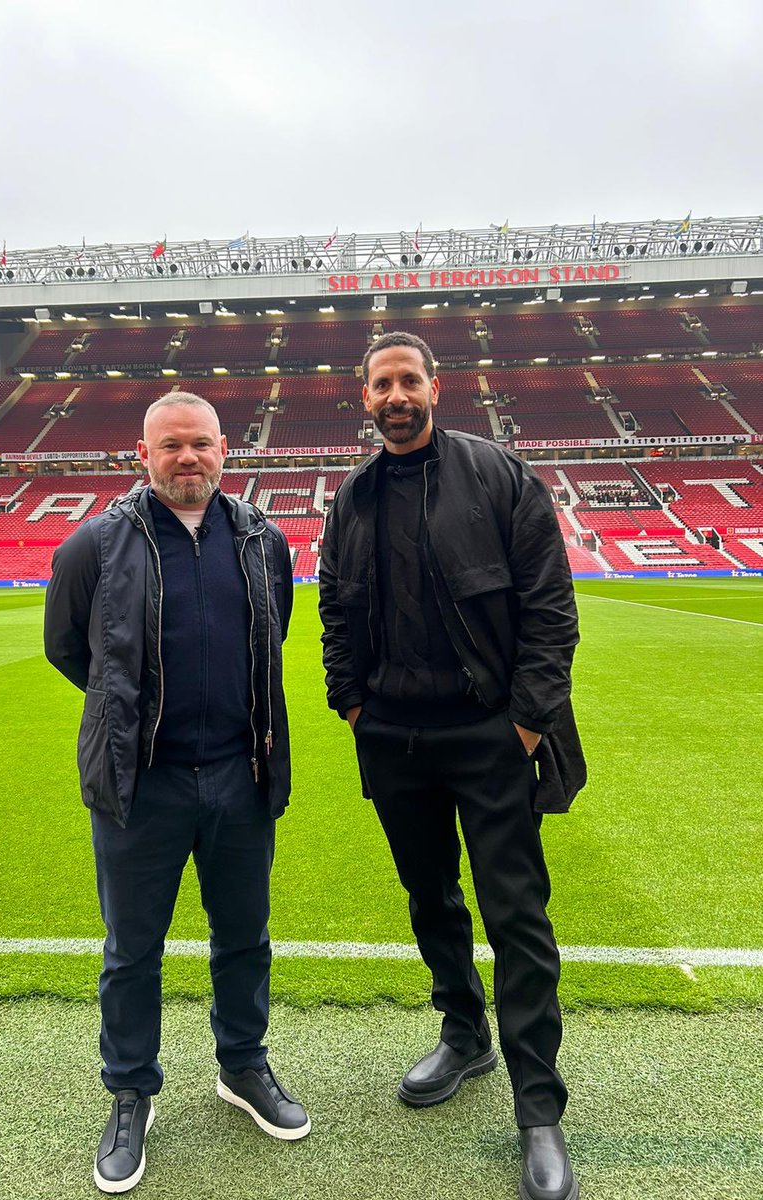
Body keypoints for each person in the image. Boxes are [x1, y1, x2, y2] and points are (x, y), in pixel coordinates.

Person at [319, 332, 586, 1200]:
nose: (396, 395)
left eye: (409, 380)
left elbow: (551, 609)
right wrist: (351, 703)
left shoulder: (500, 475)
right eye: (380, 384)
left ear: (437, 386)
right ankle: (463, 1031)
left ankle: (537, 1109)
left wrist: (524, 725)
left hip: (487, 733)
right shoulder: (352, 498)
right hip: (392, 736)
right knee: (429, 896)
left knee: (516, 914)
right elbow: (333, 607)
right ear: (364, 398)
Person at [45, 392, 309, 1195]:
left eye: (200, 444)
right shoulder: (96, 542)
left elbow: (276, 635)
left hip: (239, 773)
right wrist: (134, 724)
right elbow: (69, 649)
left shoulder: (264, 539)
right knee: (132, 950)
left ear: (224, 449)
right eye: (172, 447)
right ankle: (130, 1090)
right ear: (143, 452)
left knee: (244, 936)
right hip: (141, 786)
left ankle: (243, 1067)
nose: (187, 458)